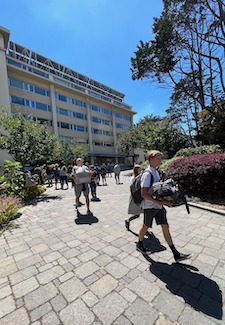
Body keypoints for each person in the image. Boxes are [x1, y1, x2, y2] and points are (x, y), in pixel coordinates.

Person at [136, 150, 191, 262]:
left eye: (160, 158)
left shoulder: (156, 172)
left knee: (165, 227)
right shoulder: (147, 174)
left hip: (158, 206)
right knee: (146, 226)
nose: (160, 160)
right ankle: (140, 243)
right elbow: (144, 194)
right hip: (149, 206)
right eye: (157, 158)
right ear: (150, 159)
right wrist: (160, 203)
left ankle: (176, 254)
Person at [125, 164, 142, 231]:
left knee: (143, 212)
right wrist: (136, 199)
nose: (140, 171)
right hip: (136, 197)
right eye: (139, 170)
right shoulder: (134, 178)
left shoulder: (137, 177)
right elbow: (132, 189)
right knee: (137, 214)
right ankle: (128, 220)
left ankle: (145, 227)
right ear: (136, 170)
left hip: (139, 197)